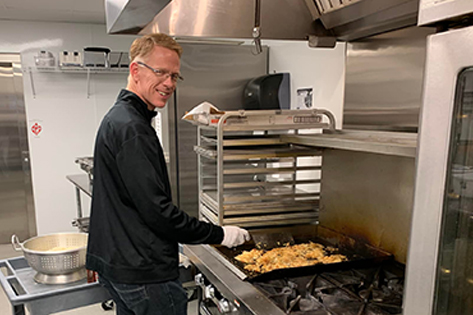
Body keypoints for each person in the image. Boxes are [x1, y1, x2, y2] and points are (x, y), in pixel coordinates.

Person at [86, 33, 250, 315]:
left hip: (121, 268)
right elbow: (158, 213)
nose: (169, 83)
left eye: (175, 76)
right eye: (161, 72)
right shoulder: (132, 128)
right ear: (135, 71)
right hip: (144, 275)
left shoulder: (119, 117)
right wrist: (219, 234)